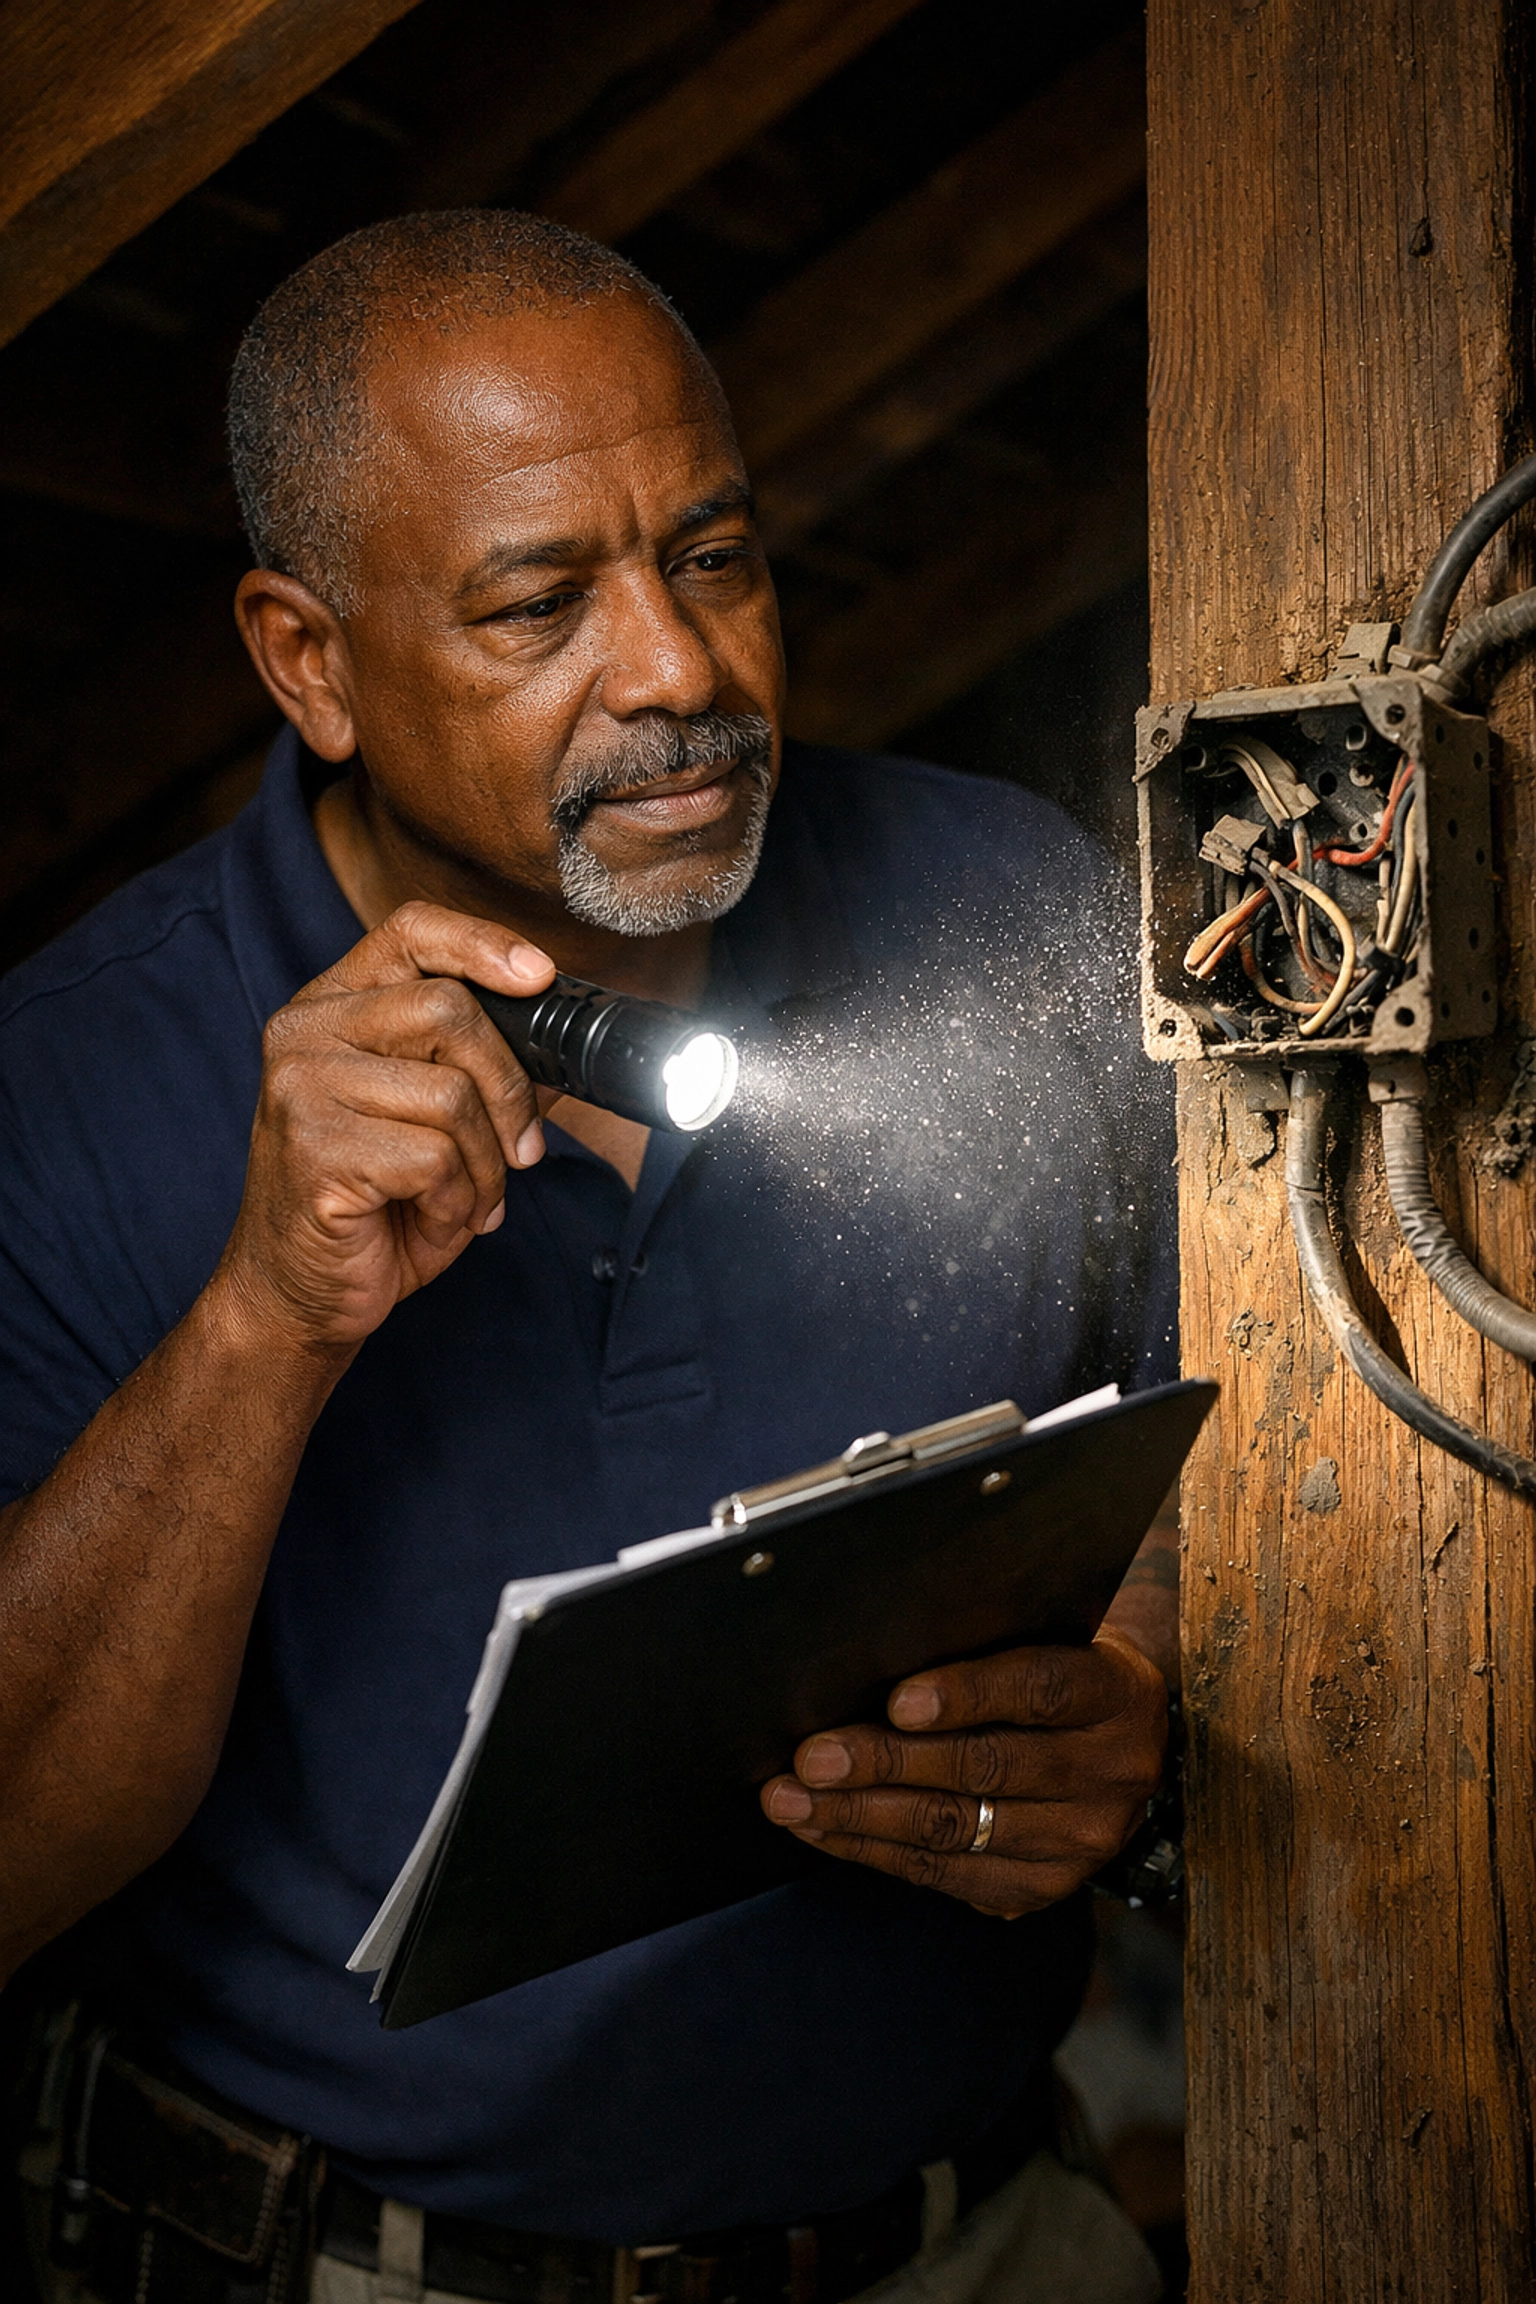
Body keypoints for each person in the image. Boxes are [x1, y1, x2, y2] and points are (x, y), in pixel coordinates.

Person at [0, 212, 1177, 2304]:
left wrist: (1141, 1698)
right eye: (540, 604)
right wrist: (266, 1321)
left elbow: (1262, 1452)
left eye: (712, 556)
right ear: (310, 662)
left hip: (979, 2239)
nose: (678, 672)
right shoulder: (69, 1077)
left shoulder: (1008, 908)